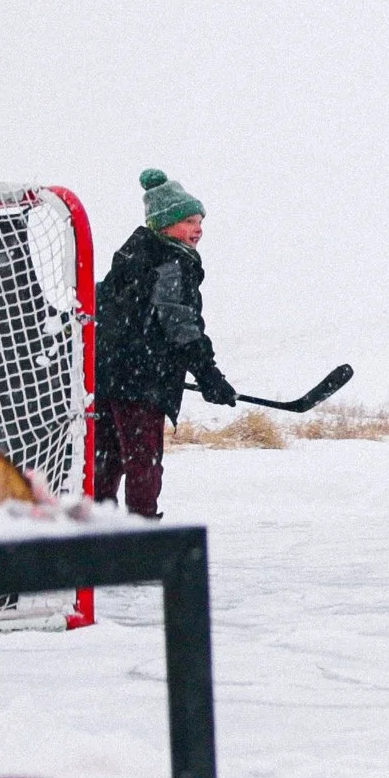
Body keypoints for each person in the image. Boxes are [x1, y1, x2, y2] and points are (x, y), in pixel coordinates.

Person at [91, 169, 236, 518]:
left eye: (200, 221)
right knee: (143, 459)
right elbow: (180, 324)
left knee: (106, 457)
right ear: (163, 225)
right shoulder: (172, 263)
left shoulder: (131, 259)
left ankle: (97, 527)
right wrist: (208, 375)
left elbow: (106, 310)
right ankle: (141, 533)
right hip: (142, 380)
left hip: (107, 376)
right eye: (188, 220)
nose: (198, 228)